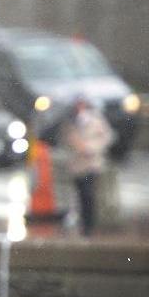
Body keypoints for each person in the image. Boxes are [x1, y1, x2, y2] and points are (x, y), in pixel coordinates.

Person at [63, 96, 114, 237]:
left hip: (92, 163)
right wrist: (75, 143)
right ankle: (83, 223)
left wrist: (91, 147)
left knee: (89, 193)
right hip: (77, 163)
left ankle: (89, 225)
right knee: (80, 194)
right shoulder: (71, 122)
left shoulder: (97, 120)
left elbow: (106, 137)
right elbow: (67, 139)